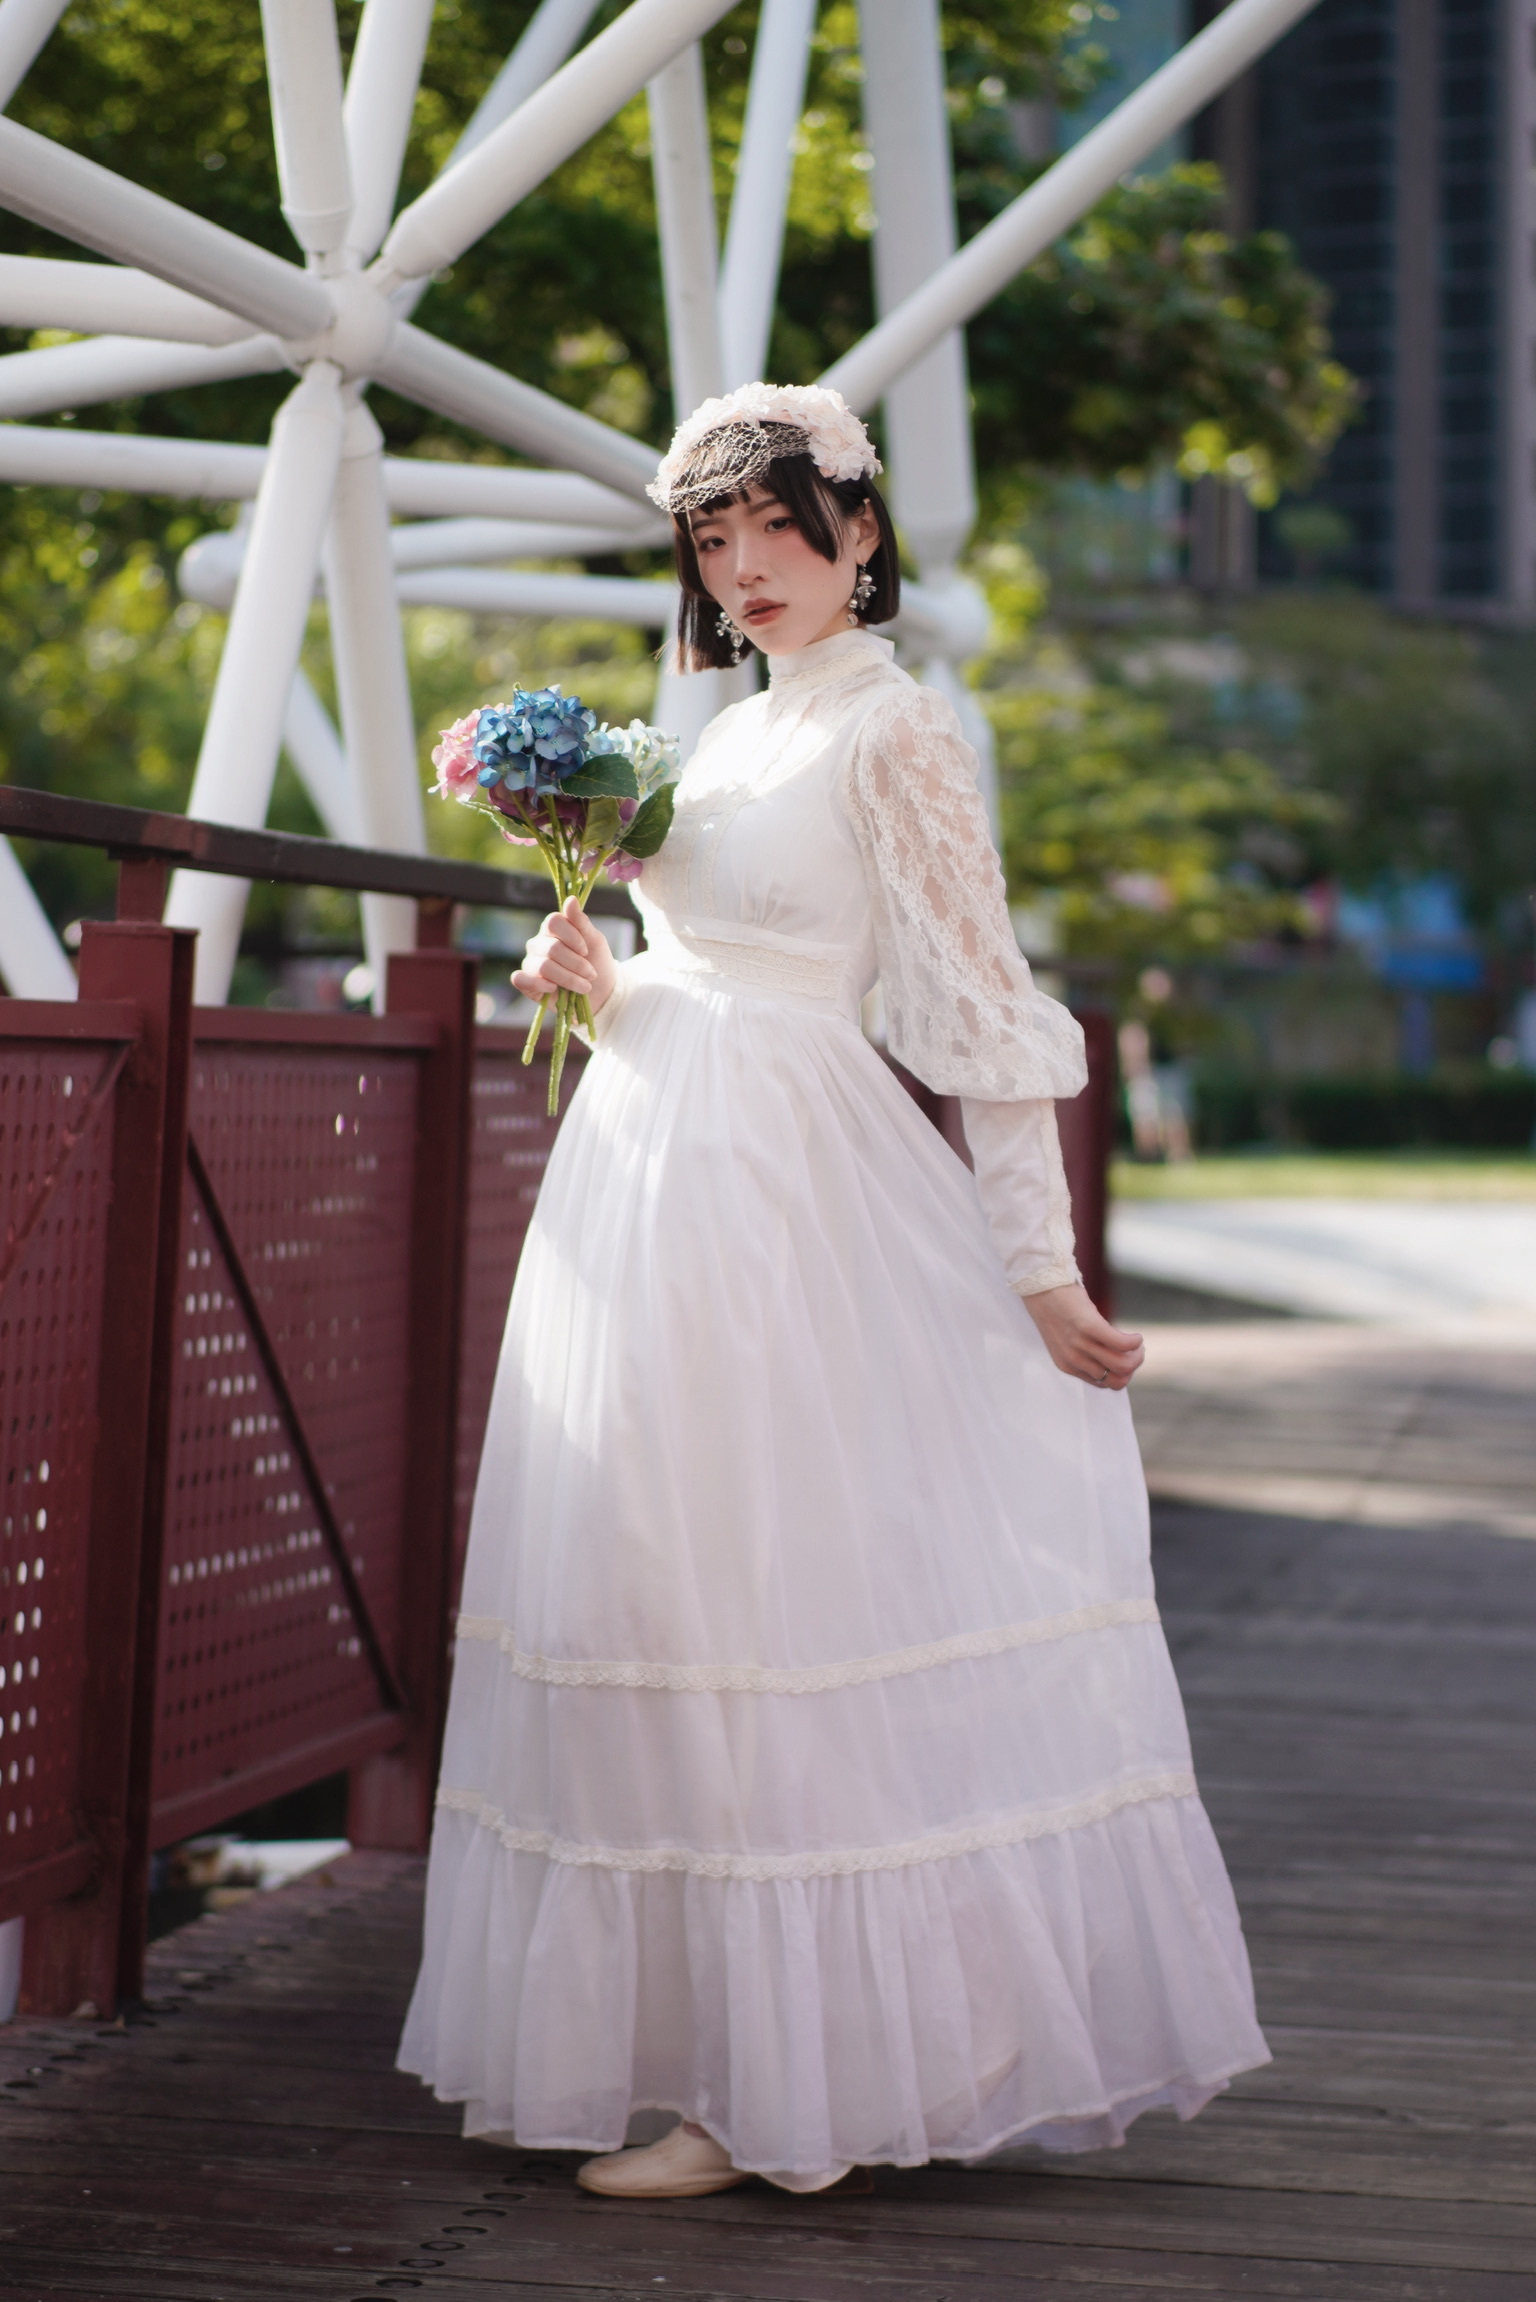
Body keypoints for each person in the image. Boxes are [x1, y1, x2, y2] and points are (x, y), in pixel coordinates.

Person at [398, 382, 1268, 2198]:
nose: (747, 569)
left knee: (769, 1593)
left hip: (789, 1193)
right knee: (651, 1579)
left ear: (858, 531)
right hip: (646, 1176)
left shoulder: (897, 736)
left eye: (777, 531)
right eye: (715, 543)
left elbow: (983, 1011)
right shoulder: (714, 739)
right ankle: (701, 2041)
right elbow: (691, 965)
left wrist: (1037, 1262)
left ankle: (773, 2086)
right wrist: (599, 977)